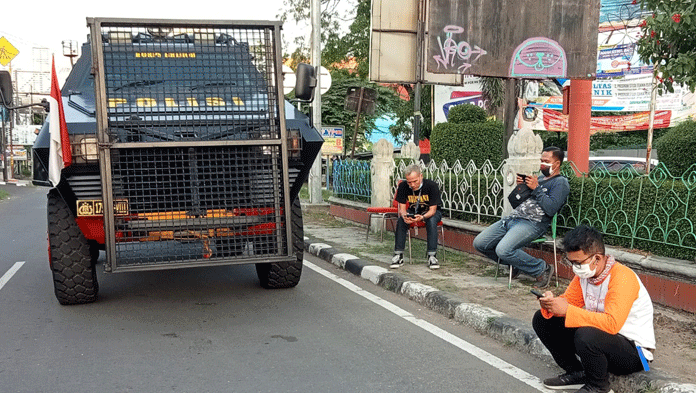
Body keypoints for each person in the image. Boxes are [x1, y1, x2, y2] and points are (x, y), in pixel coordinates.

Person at [533, 225, 655, 393]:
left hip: (637, 353)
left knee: (587, 334)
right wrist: (550, 304)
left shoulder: (623, 278)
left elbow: (612, 323)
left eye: (578, 263)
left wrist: (567, 310)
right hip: (603, 342)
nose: (574, 267)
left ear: (597, 258)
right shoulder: (585, 276)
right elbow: (568, 303)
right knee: (543, 319)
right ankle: (577, 372)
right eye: (571, 262)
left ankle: (598, 387)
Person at [473, 146, 569, 288]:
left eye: (546, 161)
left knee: (503, 250)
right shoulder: (540, 178)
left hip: (533, 223)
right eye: (541, 160)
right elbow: (519, 203)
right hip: (512, 219)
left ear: (557, 164)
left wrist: (536, 189)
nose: (542, 163)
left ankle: (542, 268)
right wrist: (521, 188)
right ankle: (515, 264)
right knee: (479, 243)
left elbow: (551, 208)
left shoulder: (560, 182)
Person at [390, 164, 442, 270]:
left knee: (431, 221)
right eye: (409, 182)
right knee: (401, 220)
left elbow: (433, 210)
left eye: (415, 181)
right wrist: (405, 216)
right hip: (413, 211)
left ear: (421, 176)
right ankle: (398, 255)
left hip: (431, 212)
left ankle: (432, 256)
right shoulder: (403, 186)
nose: (412, 185)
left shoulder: (431, 186)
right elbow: (402, 208)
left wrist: (422, 218)